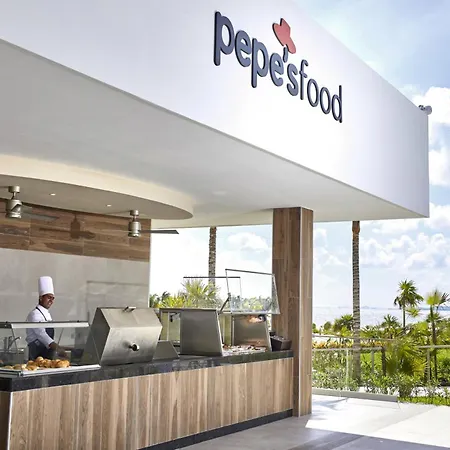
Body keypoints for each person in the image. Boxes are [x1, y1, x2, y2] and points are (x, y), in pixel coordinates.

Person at [26, 276, 66, 360]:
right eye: (49, 297)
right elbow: (42, 335)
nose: (51, 300)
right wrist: (58, 348)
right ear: (41, 298)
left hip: (47, 354)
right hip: (36, 355)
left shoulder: (47, 314)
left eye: (53, 298)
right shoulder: (35, 314)